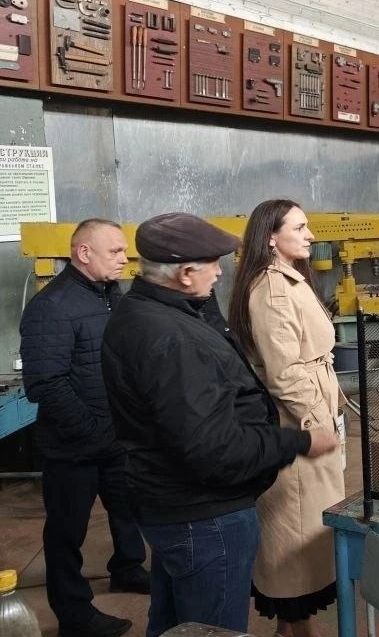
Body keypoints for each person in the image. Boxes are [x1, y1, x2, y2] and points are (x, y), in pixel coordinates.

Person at [100, 213, 338, 637]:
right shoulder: (172, 337)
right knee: (213, 628)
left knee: (175, 623)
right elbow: (213, 449)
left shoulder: (142, 311)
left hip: (168, 502)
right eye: (212, 263)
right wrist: (297, 442)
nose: (220, 272)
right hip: (203, 515)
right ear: (185, 273)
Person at [19, 218, 148, 637]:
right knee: (66, 531)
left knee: (127, 509)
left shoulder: (110, 295)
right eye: (115, 251)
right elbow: (45, 384)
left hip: (115, 435)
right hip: (72, 445)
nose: (124, 259)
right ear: (84, 253)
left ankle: (127, 569)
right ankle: (73, 614)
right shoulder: (52, 307)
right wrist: (94, 430)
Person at [227, 200, 345, 637]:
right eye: (300, 227)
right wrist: (318, 425)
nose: (310, 234)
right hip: (297, 425)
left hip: (311, 413)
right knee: (295, 531)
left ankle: (293, 627)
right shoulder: (272, 290)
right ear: (271, 237)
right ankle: (297, 628)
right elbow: (285, 373)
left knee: (306, 530)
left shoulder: (289, 280)